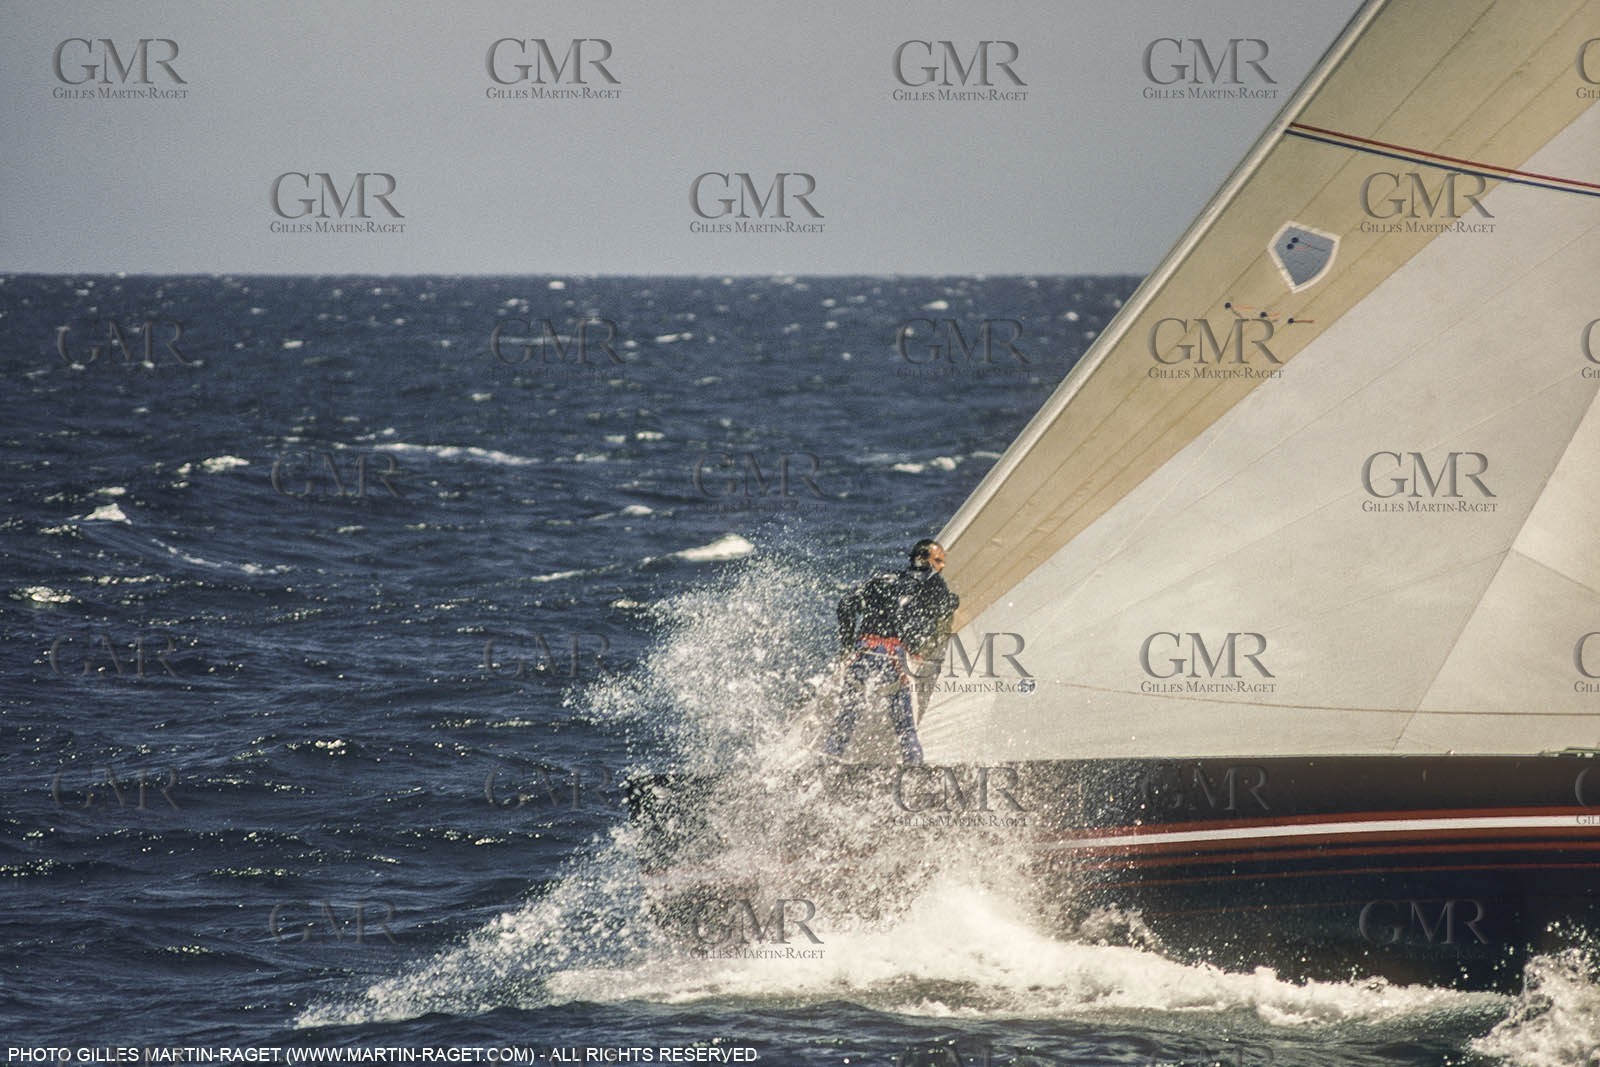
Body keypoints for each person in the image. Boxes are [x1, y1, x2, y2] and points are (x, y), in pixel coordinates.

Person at [822, 538, 959, 764]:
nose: (941, 567)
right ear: (923, 560)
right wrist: (952, 603)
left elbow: (846, 604)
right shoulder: (935, 584)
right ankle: (915, 770)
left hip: (863, 652)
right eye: (938, 561)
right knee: (906, 729)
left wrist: (847, 645)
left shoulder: (881, 579)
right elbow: (940, 616)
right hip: (893, 657)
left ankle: (827, 764)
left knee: (845, 719)